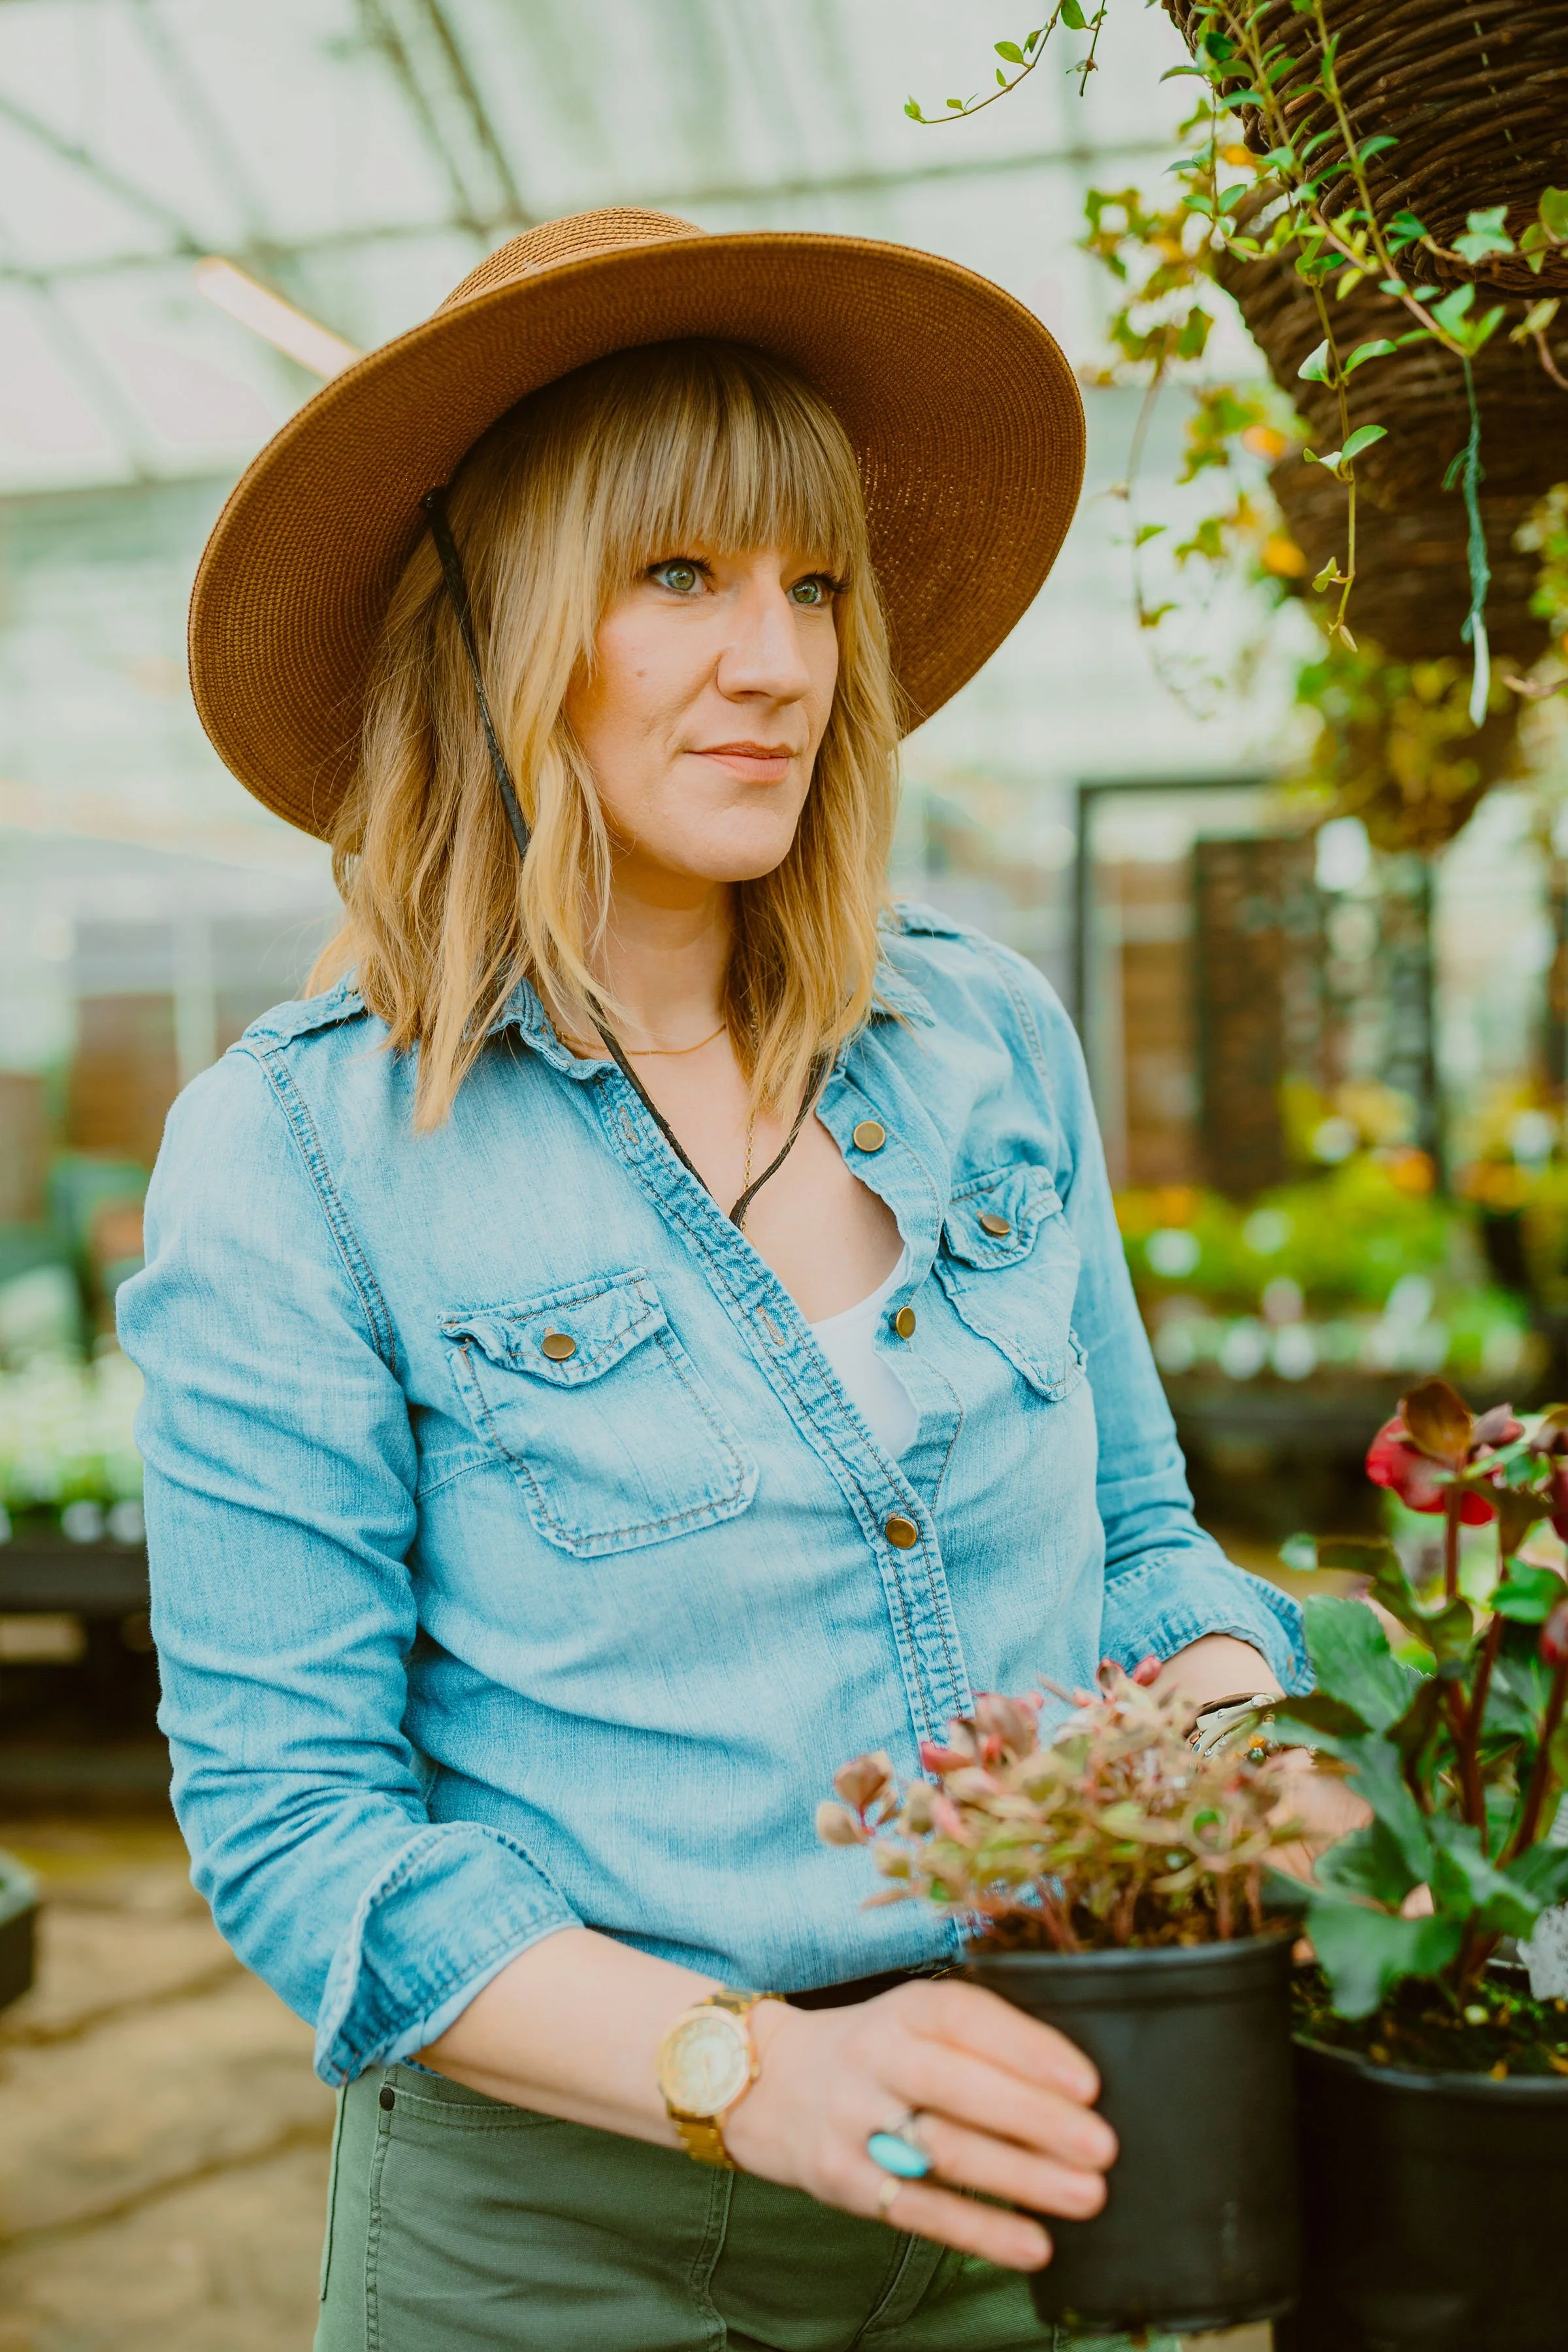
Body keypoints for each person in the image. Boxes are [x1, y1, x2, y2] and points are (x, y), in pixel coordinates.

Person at [119, 208, 1309, 2352]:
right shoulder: (303, 1157)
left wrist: (1250, 1749)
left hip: (1050, 2168)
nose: (776, 656)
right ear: (497, 629)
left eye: (813, 583)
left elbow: (1135, 1549)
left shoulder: (985, 1046)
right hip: (576, 2251)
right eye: (676, 576)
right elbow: (302, 1831)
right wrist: (759, 2077)